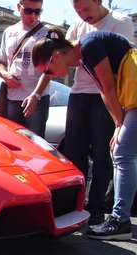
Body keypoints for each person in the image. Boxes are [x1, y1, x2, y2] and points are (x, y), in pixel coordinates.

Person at [32, 27, 135, 240]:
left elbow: (108, 87)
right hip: (131, 96)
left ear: (56, 56)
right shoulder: (84, 59)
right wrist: (118, 122)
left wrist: (119, 124)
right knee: (122, 153)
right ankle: (119, 219)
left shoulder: (89, 45)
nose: (50, 76)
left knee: (122, 154)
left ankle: (120, 221)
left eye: (48, 71)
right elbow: (103, 90)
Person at [62, 0, 134, 225]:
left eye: (86, 9)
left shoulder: (120, 21)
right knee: (74, 154)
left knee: (103, 154)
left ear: (99, 1)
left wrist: (119, 121)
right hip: (79, 93)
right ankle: (73, 207)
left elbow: (111, 77)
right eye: (77, 11)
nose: (83, 15)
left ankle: (96, 210)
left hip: (106, 95)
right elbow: (72, 58)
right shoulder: (76, 26)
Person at [0, 0, 50, 138]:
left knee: (35, 146)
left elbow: (51, 69)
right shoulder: (9, 32)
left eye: (37, 11)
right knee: (14, 142)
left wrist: (36, 95)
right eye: (28, 11)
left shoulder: (47, 32)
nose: (33, 15)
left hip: (36, 99)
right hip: (12, 98)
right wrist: (6, 75)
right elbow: (0, 64)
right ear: (19, 7)